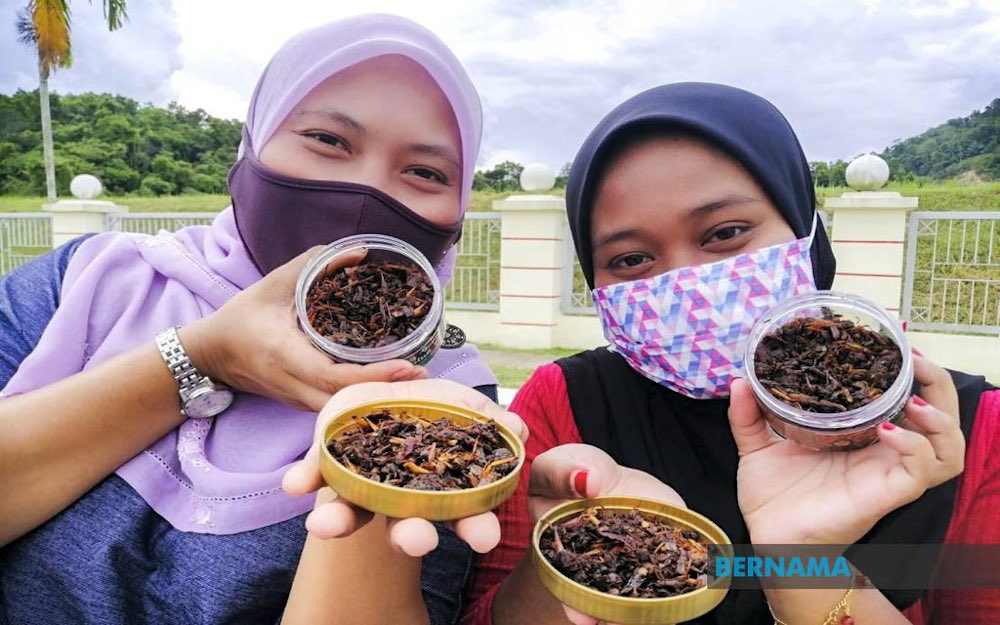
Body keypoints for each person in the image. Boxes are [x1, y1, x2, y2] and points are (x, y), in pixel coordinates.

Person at [287, 82, 999, 625]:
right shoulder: (561, 406)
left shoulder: (971, 429)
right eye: (630, 257)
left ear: (807, 234)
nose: (683, 282)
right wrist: (567, 562)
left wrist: (799, 565)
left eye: (724, 234)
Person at [0, 14, 511, 625]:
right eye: (328, 140)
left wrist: (379, 454)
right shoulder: (83, 282)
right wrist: (204, 357)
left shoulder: (447, 397)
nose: (366, 189)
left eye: (426, 172)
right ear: (253, 143)